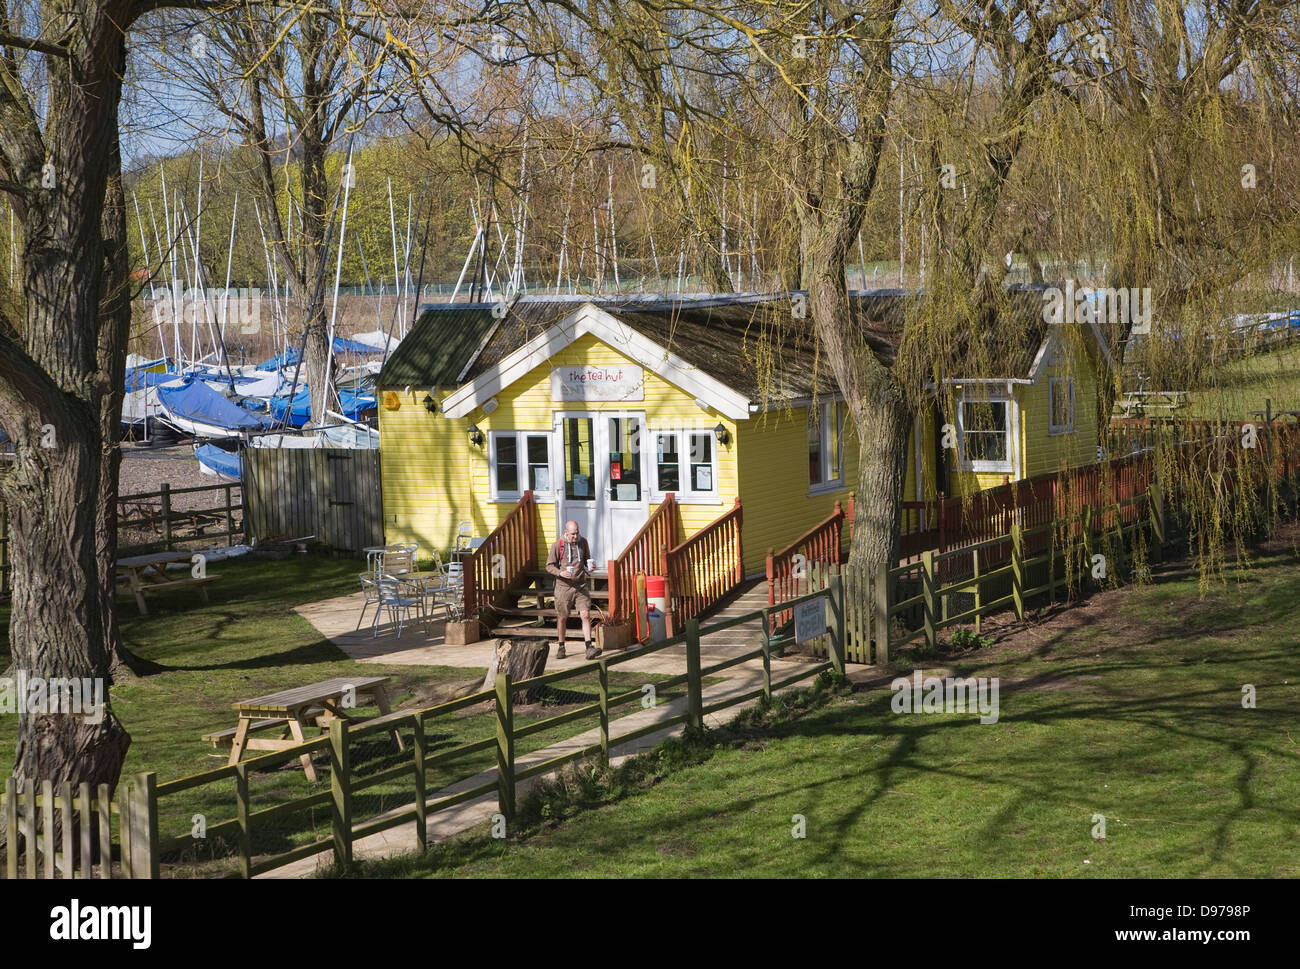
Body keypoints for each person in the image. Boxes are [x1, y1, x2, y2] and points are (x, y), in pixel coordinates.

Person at [545, 520, 601, 660]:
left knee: (586, 615)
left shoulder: (583, 542)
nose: (576, 536)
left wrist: (591, 567)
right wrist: (560, 573)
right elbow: (549, 566)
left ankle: (589, 647)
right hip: (563, 587)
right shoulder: (558, 546)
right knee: (562, 617)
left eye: (577, 533)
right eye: (573, 534)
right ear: (566, 532)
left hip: (580, 585)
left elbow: (587, 560)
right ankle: (561, 646)